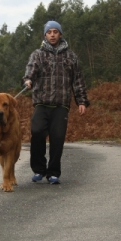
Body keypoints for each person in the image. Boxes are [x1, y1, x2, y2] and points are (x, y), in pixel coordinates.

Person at [23, 20, 90, 185]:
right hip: (41, 103)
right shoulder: (37, 54)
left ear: (60, 34)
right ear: (45, 35)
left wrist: (81, 101)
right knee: (37, 132)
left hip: (61, 105)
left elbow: (78, 81)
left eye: (55, 32)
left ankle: (53, 173)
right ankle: (39, 169)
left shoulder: (71, 57)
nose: (52, 35)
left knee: (57, 138)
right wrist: (28, 80)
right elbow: (31, 70)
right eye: (49, 32)